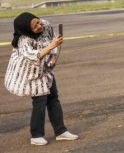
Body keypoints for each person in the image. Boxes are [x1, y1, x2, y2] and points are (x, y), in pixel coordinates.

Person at [4, 12, 78, 146]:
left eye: (38, 21)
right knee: (40, 103)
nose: (40, 26)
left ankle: (61, 131)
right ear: (27, 29)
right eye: (35, 26)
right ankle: (36, 135)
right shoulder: (23, 40)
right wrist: (52, 46)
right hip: (29, 74)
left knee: (53, 99)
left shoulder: (46, 25)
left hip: (45, 70)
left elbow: (52, 40)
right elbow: (33, 56)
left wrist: (53, 58)